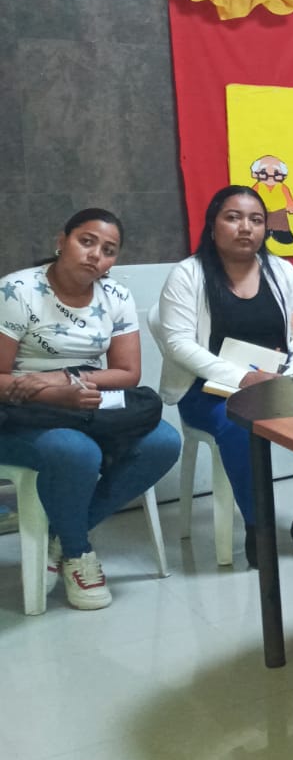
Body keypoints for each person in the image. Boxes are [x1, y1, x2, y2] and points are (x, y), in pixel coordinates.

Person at [0, 209, 181, 610]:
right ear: (60, 241)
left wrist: (65, 381)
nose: (96, 254)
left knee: (164, 443)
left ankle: (62, 535)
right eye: (86, 241)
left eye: (108, 250)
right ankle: (79, 553)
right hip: (20, 410)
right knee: (77, 452)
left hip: (85, 400)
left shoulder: (115, 295)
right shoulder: (17, 291)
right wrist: (51, 393)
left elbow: (127, 373)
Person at [155, 185, 293, 566]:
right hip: (206, 389)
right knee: (238, 425)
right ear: (212, 227)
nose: (246, 228)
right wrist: (241, 379)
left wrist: (290, 374)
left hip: (277, 381)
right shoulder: (187, 275)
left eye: (256, 220)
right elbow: (179, 344)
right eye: (233, 217)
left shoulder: (281, 271)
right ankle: (259, 526)